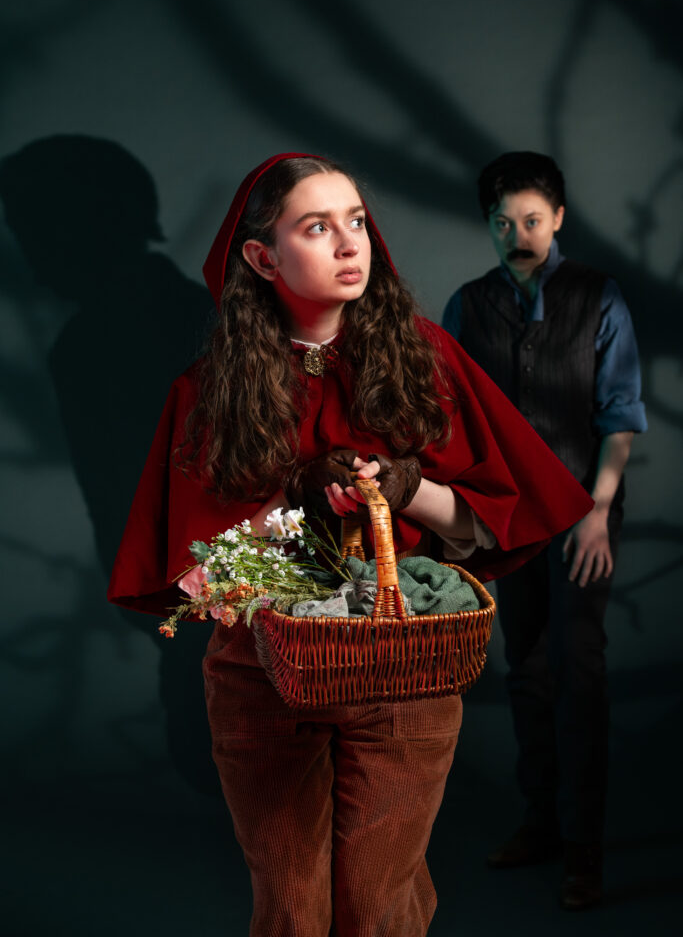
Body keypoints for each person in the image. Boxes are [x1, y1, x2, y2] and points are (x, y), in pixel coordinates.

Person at [108, 152, 593, 936]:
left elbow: (490, 518)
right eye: (317, 227)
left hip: (403, 670)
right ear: (263, 258)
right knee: (292, 910)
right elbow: (201, 582)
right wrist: (290, 506)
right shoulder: (205, 393)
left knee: (377, 910)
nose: (349, 244)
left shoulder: (426, 358)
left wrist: (407, 488)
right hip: (264, 681)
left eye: (357, 221)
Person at [442, 151, 647, 911]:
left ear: (557, 218)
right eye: (502, 223)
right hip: (501, 519)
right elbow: (452, 417)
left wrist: (597, 512)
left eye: (531, 220)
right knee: (524, 668)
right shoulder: (467, 305)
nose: (517, 235)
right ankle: (539, 825)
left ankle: (584, 850)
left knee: (578, 670)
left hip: (579, 513)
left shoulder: (598, 296)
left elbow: (619, 414)